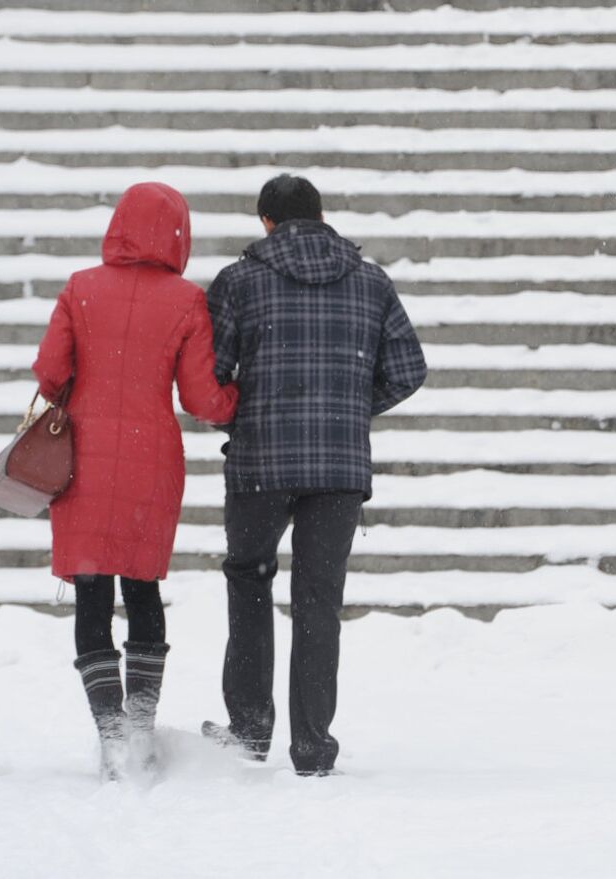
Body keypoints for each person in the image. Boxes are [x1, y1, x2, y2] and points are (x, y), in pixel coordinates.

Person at [201, 174, 427, 776]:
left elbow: (212, 373)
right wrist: (348, 406)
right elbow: (409, 370)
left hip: (260, 463)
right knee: (318, 601)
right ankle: (312, 747)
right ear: (322, 217)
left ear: (266, 223)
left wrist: (253, 409)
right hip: (339, 465)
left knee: (249, 582)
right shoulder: (371, 281)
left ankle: (249, 730)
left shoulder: (239, 280)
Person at [33, 182, 237, 781]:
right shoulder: (185, 301)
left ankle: (111, 733)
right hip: (152, 457)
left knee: (93, 589)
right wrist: (236, 401)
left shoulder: (81, 288)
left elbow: (50, 373)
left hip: (84, 457)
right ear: (178, 234)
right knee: (143, 589)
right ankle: (141, 723)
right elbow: (201, 397)